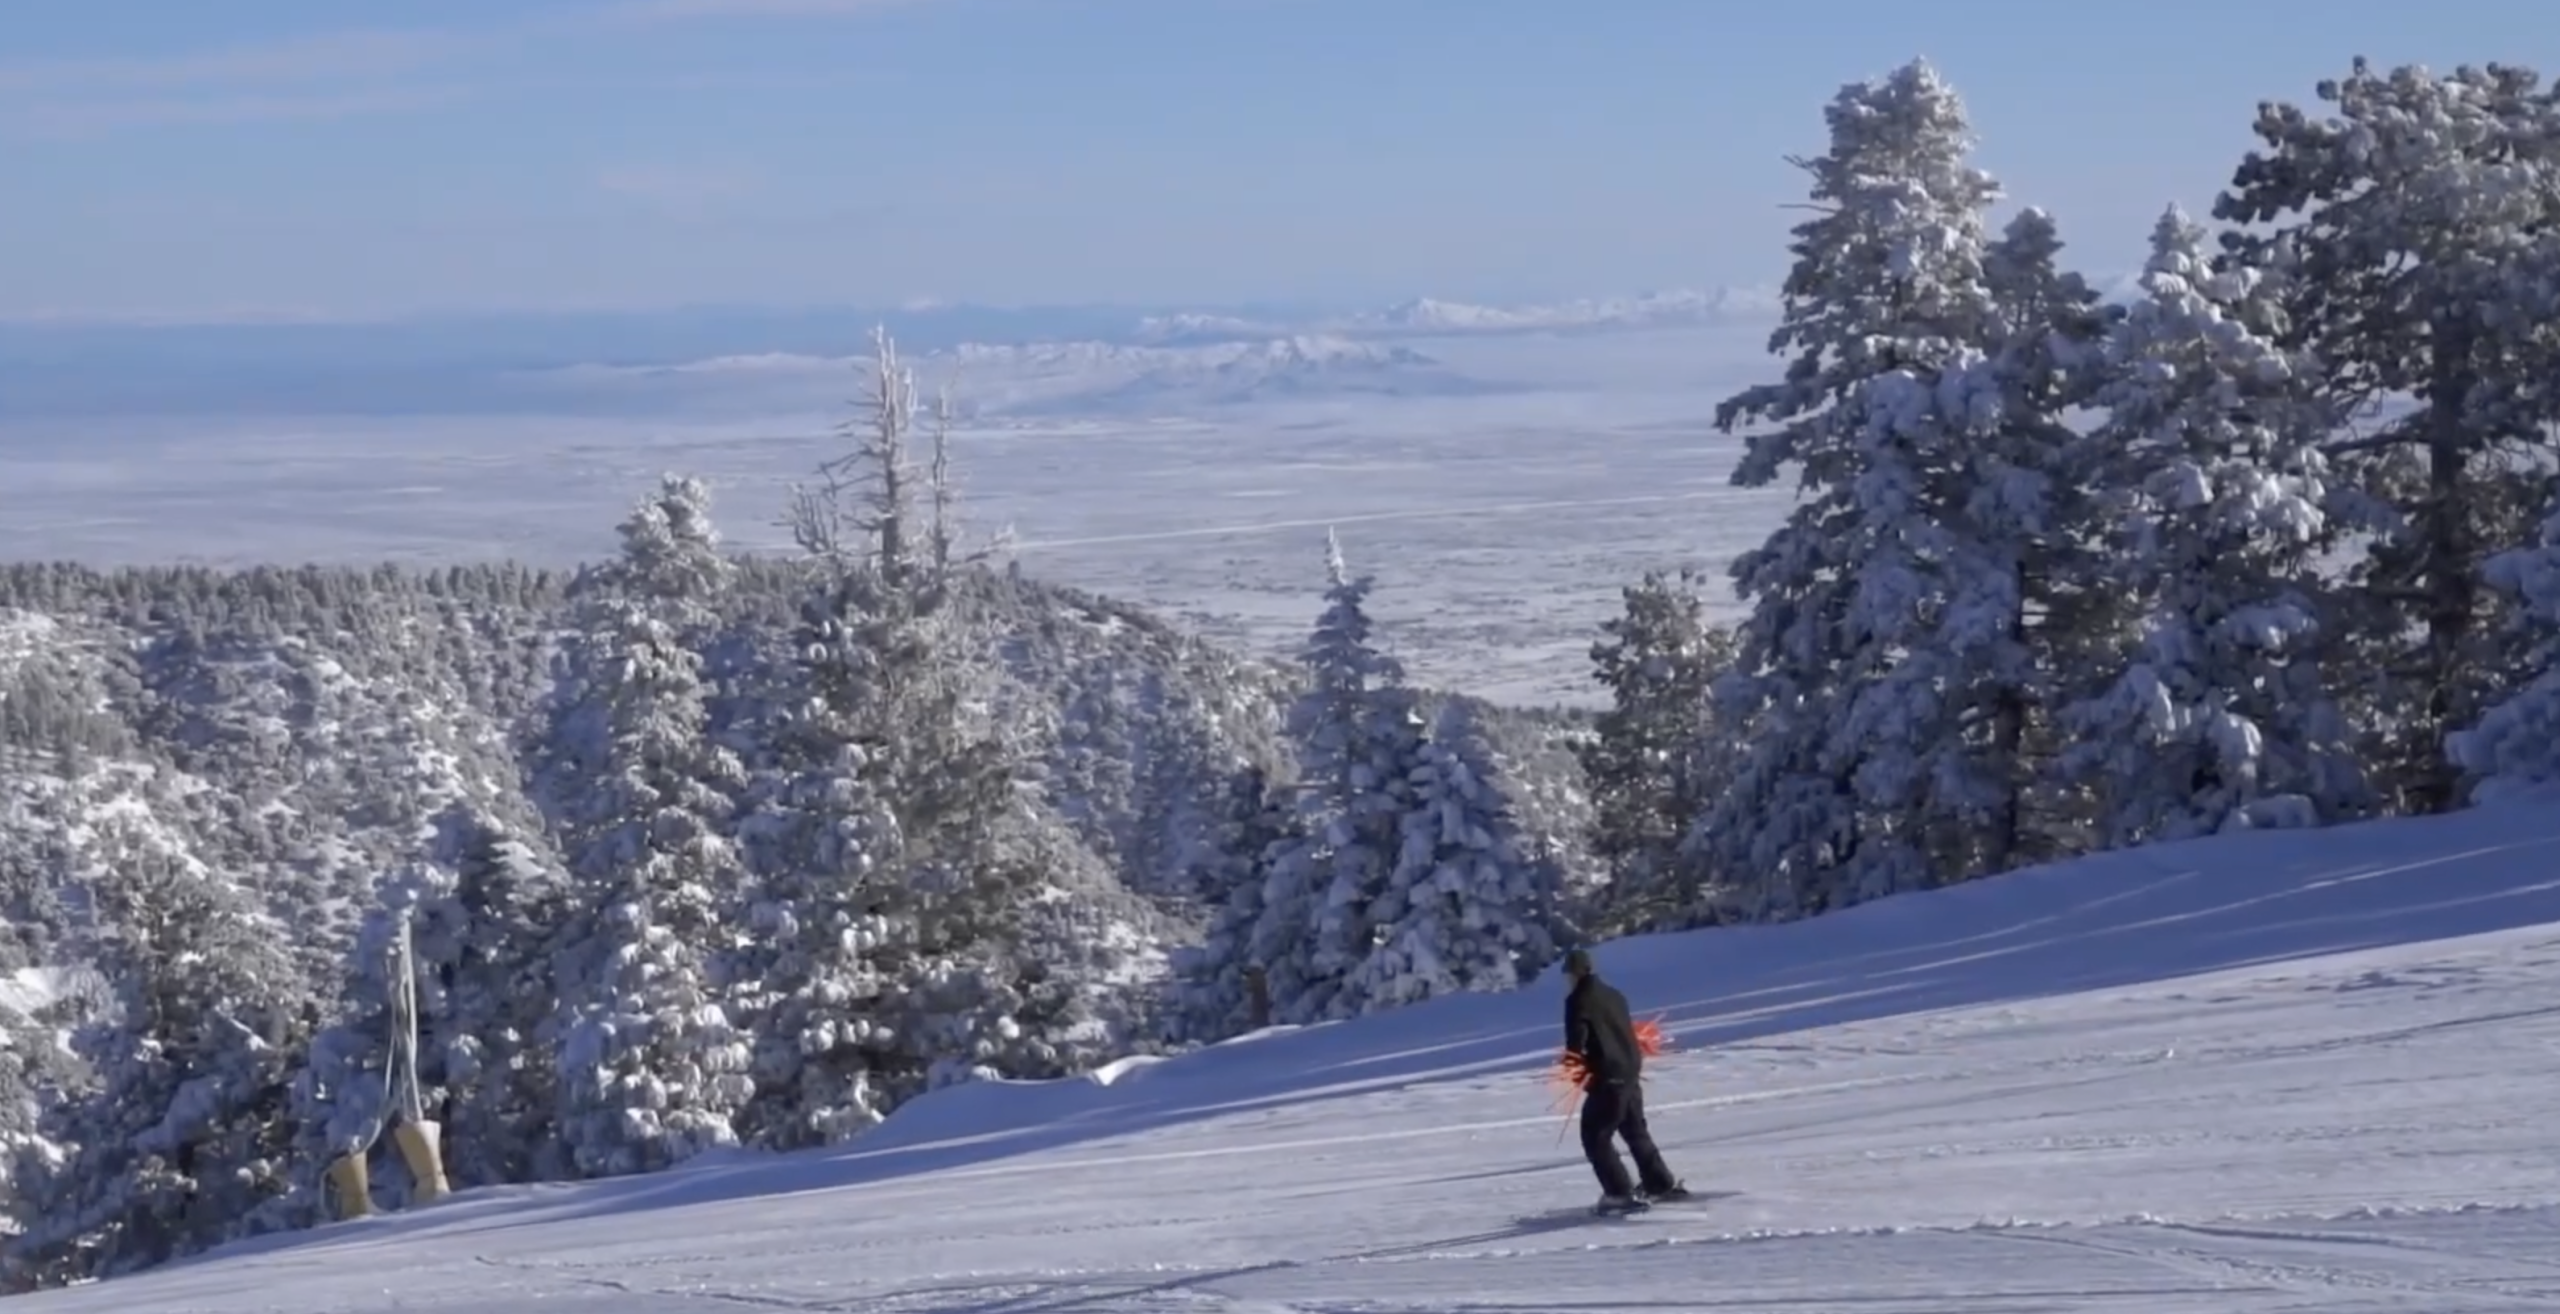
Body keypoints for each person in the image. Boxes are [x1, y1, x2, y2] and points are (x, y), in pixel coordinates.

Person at [1561, 947, 1689, 1213]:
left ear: (1573, 974)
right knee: (1634, 1131)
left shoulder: (1578, 1000)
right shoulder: (1615, 995)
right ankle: (1659, 1184)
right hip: (1631, 1071)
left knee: (1595, 1136)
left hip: (1608, 1076)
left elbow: (1576, 1044)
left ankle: (1619, 1194)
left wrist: (1574, 1071)